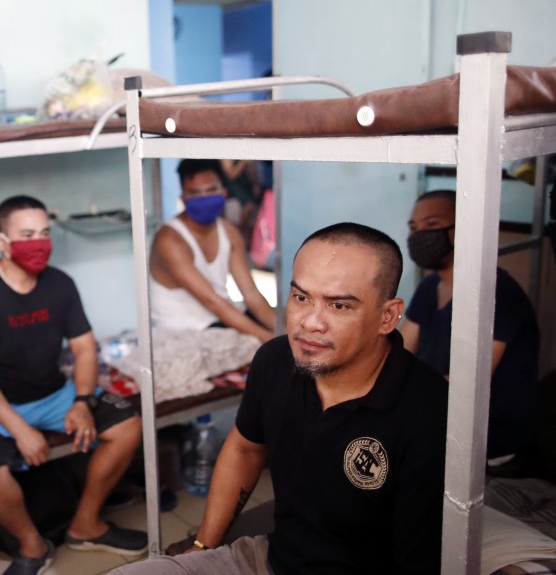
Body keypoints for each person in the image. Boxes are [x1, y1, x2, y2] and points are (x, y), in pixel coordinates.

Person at [112, 223, 449, 575]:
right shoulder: (275, 362)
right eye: (301, 298)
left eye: (338, 305)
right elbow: (245, 449)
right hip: (270, 559)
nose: (311, 322)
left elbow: (419, 558)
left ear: (387, 317)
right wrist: (202, 546)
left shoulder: (426, 410)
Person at [0, 196, 147, 575]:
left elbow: (84, 347)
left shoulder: (59, 284)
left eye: (44, 233)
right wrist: (19, 429)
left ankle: (85, 525)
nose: (39, 243)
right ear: (1, 241)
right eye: (27, 235)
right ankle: (33, 545)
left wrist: (82, 401)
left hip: (53, 395)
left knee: (127, 426)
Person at [400, 189, 539, 459]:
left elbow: (465, 385)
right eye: (414, 228)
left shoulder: (496, 295)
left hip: (491, 444)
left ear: (463, 228)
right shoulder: (430, 287)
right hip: (435, 419)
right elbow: (400, 351)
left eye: (432, 225)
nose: (419, 236)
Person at [149, 160, 275, 342]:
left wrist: (283, 332)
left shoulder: (229, 232)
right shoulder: (169, 239)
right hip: (186, 330)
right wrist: (269, 339)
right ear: (183, 198)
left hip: (221, 318)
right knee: (264, 346)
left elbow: (251, 293)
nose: (204, 197)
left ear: (224, 192)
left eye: (210, 190)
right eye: (195, 193)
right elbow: (212, 301)